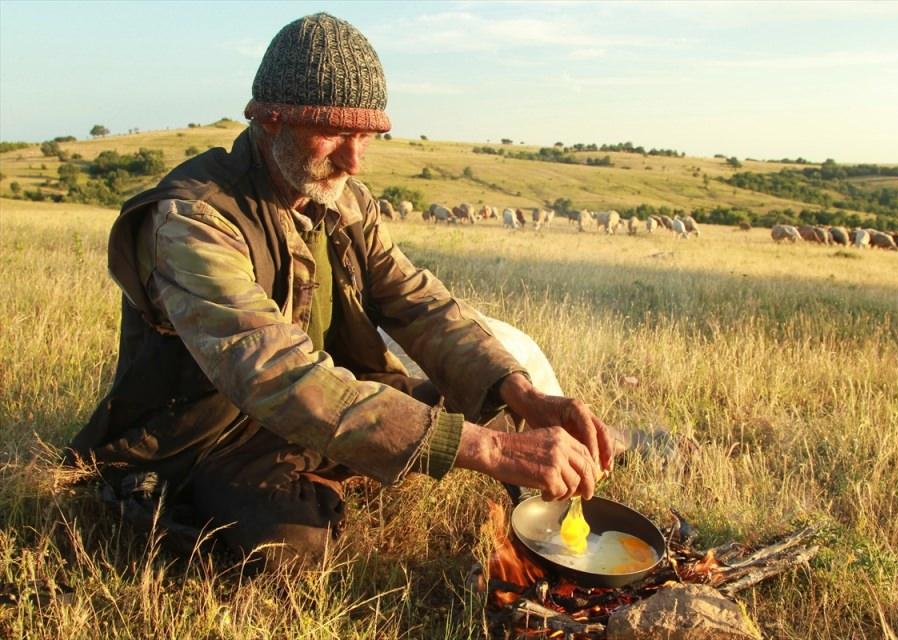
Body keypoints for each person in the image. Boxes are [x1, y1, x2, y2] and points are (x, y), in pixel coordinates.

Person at [69, 12, 617, 569]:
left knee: (494, 404)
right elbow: (276, 375)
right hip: (218, 435)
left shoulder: (345, 201)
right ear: (271, 119)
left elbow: (420, 306)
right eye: (333, 132)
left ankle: (345, 457)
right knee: (288, 549)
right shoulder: (194, 219)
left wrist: (524, 394)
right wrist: (489, 449)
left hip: (329, 393)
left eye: (367, 136)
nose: (353, 160)